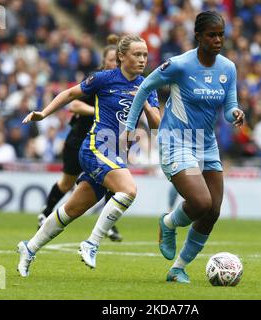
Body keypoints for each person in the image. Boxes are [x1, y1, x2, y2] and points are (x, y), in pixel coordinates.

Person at [17, 34, 160, 277]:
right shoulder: (104, 79)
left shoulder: (147, 84)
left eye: (145, 55)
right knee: (129, 190)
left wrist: (146, 102)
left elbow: (157, 124)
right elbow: (70, 95)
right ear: (121, 56)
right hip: (96, 147)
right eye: (137, 54)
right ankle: (92, 243)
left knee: (71, 211)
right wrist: (44, 113)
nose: (142, 59)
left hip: (117, 153)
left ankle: (29, 248)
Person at [125, 11, 245, 283]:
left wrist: (236, 113)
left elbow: (229, 108)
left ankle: (178, 268)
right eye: (212, 35)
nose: (218, 40)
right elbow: (144, 87)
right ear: (198, 36)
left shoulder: (228, 68)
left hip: (207, 144)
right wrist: (131, 126)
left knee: (213, 210)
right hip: (176, 142)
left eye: (221, 35)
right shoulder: (179, 65)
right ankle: (168, 223)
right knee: (201, 202)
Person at [37, 35, 123, 242]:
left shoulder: (122, 84)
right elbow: (73, 105)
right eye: (112, 60)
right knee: (67, 183)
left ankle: (108, 227)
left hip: (102, 142)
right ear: (105, 61)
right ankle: (46, 211)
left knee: (111, 182)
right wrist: (99, 112)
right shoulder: (98, 80)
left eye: (117, 60)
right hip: (79, 139)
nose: (115, 64)